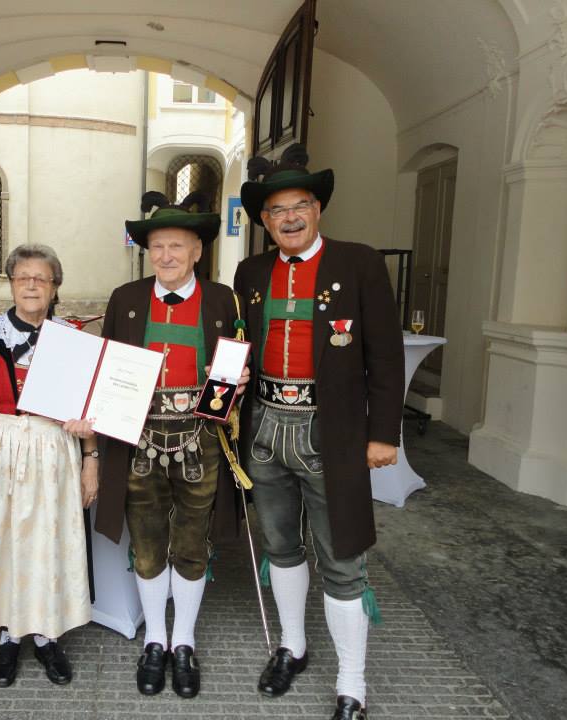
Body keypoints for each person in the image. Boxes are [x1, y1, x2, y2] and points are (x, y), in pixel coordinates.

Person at [233, 144, 404, 720]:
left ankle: (351, 682)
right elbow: (240, 348)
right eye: (277, 210)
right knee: (280, 546)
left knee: (341, 555)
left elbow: (385, 353)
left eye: (299, 204)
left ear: (318, 208)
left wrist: (383, 434)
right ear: (264, 220)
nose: (289, 217)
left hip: (329, 430)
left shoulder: (358, 262)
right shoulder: (251, 271)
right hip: (264, 427)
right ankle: (293, 646)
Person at [95, 192, 244, 699]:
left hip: (201, 439)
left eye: (176, 246)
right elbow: (109, 368)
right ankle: (154, 639)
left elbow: (239, 363)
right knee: (147, 542)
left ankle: (184, 640)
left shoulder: (223, 299)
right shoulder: (126, 298)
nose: (166, 256)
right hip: (139, 440)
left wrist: (238, 381)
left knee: (191, 543)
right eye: (157, 246)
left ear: (197, 250)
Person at [0, 244, 95, 688]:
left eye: (41, 278)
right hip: (4, 445)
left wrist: (91, 459)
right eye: (23, 277)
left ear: (55, 286)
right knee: (4, 539)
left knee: (49, 539)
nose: (31, 285)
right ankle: (8, 635)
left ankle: (45, 635)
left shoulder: (71, 336)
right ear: (11, 283)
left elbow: (89, 403)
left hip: (56, 445)